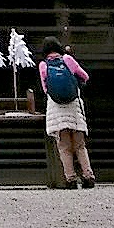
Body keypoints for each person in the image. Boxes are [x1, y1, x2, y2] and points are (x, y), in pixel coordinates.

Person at [37, 40, 95, 188]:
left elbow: (45, 89)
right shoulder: (67, 59)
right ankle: (88, 176)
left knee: (64, 148)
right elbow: (85, 76)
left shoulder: (43, 65)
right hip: (73, 107)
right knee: (80, 146)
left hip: (56, 109)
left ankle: (70, 179)